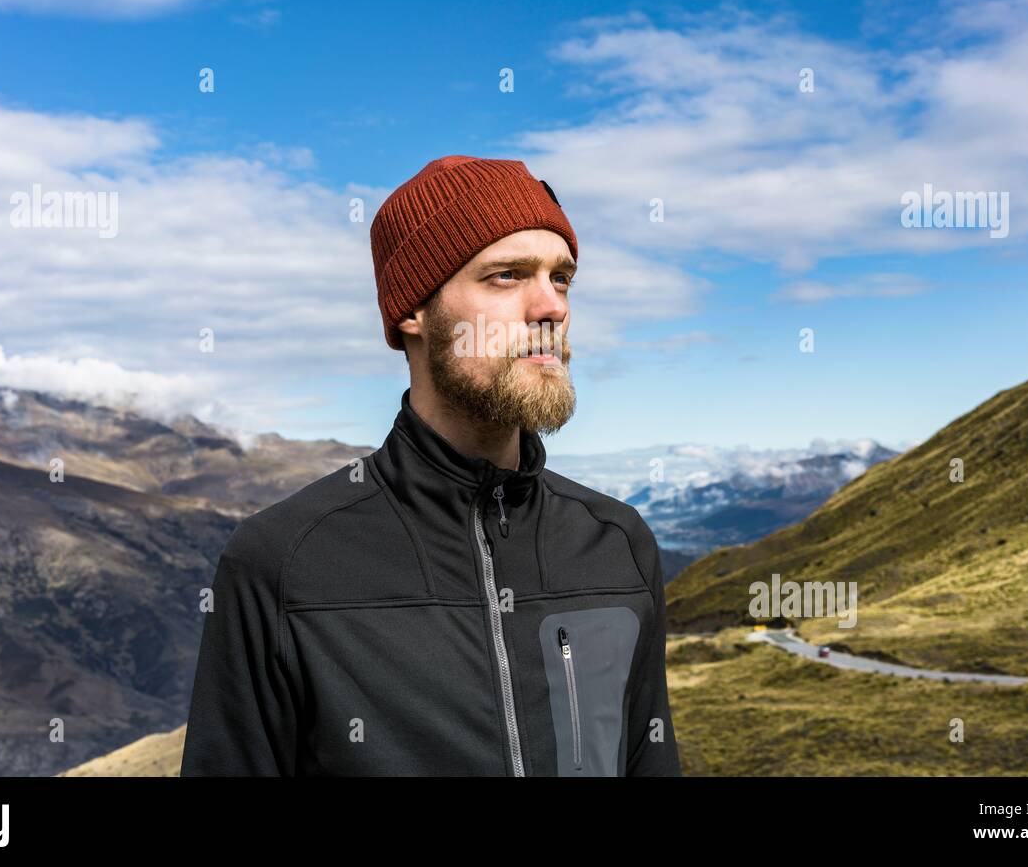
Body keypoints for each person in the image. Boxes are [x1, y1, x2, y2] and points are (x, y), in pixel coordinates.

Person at [179, 154, 682, 776]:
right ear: (412, 312)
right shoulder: (282, 561)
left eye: (562, 278)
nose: (551, 307)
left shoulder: (618, 544)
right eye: (507, 276)